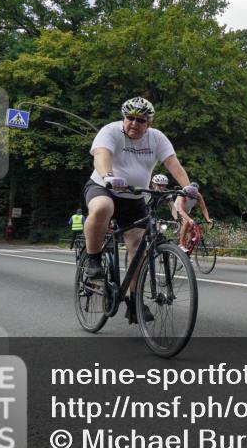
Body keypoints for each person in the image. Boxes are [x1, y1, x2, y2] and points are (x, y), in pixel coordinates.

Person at [82, 97, 198, 324]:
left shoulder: (157, 138)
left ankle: (134, 300)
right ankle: (93, 260)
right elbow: (101, 155)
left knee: (138, 246)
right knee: (103, 207)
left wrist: (187, 187)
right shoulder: (110, 131)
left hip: (135, 195)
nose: (134, 124)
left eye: (141, 120)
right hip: (103, 187)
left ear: (149, 123)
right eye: (130, 118)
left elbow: (173, 163)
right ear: (124, 118)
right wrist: (108, 176)